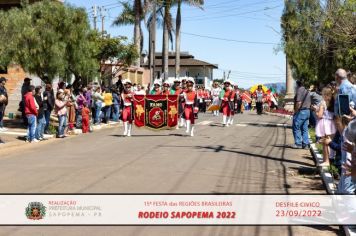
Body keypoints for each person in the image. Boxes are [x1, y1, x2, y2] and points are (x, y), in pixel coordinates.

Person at [333, 69, 356, 194]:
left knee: (346, 162)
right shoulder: (353, 87)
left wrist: (342, 132)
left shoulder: (342, 89)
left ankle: (346, 195)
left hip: (348, 129)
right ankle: (341, 191)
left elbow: (340, 115)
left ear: (337, 77)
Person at [313, 87, 336, 166]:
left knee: (325, 142)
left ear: (324, 94)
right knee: (331, 141)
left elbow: (319, 115)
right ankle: (331, 158)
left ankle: (326, 161)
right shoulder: (333, 101)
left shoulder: (323, 102)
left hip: (325, 123)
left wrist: (316, 111)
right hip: (332, 123)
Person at [292, 80, 311, 149]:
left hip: (301, 111)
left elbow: (298, 102)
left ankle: (298, 143)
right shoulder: (307, 90)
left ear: (297, 84)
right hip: (307, 111)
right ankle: (305, 144)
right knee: (304, 128)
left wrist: (296, 111)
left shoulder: (299, 90)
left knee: (296, 126)